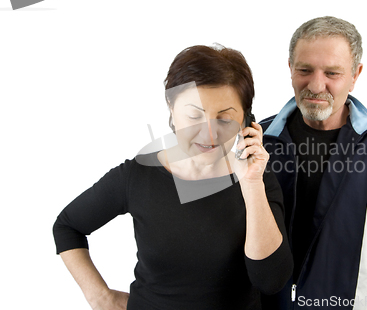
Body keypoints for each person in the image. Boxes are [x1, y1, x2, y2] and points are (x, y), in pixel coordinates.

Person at [53, 45, 293, 310]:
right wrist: (101, 297)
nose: (208, 135)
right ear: (171, 108)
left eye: (224, 119)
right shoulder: (137, 175)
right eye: (194, 116)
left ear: (246, 121)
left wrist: (250, 184)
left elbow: (270, 281)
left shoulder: (257, 179)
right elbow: (67, 227)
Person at [260, 16, 367, 310]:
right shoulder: (260, 141)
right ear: (290, 68)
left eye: (332, 72)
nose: (316, 85)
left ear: (356, 74)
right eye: (305, 70)